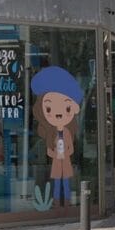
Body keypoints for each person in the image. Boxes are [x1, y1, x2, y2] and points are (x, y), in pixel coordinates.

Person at [31, 66, 83, 207]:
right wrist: (55, 154)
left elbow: (71, 148)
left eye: (66, 108)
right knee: (57, 181)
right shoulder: (51, 133)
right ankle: (56, 201)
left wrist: (65, 153)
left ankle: (66, 201)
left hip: (65, 161)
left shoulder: (67, 133)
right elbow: (49, 150)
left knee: (65, 181)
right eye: (49, 109)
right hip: (56, 161)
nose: (58, 114)